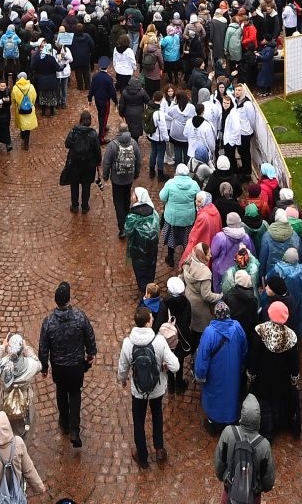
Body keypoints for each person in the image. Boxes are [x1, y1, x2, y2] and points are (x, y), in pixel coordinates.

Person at [116, 304, 180, 466]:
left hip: (138, 390)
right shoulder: (159, 341)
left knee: (138, 421)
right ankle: (159, 450)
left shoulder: (127, 343)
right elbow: (175, 366)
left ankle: (142, 457)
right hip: (157, 388)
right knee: (157, 415)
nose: (153, 319)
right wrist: (164, 365)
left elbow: (123, 367)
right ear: (147, 323)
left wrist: (123, 380)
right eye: (151, 318)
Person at [37, 281, 97, 447]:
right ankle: (75, 429)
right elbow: (90, 337)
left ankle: (64, 423)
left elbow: (43, 347)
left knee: (61, 392)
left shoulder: (48, 322)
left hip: (59, 367)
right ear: (69, 299)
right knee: (75, 393)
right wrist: (91, 354)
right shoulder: (80, 317)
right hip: (76, 366)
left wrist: (44, 367)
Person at [193, 301, 249, 434]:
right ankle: (231, 421)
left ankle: (214, 425)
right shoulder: (237, 327)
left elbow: (202, 358)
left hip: (215, 375)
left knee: (215, 397)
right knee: (232, 394)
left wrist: (200, 376)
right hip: (233, 372)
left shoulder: (209, 332)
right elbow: (244, 350)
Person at [248, 300, 301, 439]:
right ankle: (278, 424)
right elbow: (294, 361)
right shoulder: (291, 336)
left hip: (263, 376)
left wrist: (251, 373)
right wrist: (294, 377)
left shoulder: (260, 331)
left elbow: (254, 355)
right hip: (282, 377)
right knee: (278, 401)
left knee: (264, 402)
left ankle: (268, 430)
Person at [214, 393, 277, 503]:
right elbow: (268, 479)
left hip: (230, 488)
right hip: (253, 495)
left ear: (242, 414)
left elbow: (219, 462)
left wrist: (222, 477)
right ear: (259, 418)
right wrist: (262, 488)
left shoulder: (228, 433)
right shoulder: (264, 445)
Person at [0, 333, 43, 435]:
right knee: (25, 418)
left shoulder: (2, 365)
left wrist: (2, 347)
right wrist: (27, 348)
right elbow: (39, 364)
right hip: (24, 398)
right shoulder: (31, 365)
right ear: (21, 350)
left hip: (5, 398)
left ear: (9, 349)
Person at [102, 126, 143, 237]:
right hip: (129, 178)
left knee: (118, 202)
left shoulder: (112, 145)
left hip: (116, 179)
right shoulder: (133, 143)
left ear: (118, 132)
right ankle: (128, 222)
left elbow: (106, 162)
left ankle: (122, 228)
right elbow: (139, 160)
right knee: (126, 200)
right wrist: (136, 173)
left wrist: (105, 176)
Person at [158, 162, 200, 268]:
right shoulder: (194, 184)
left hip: (173, 217)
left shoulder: (170, 183)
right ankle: (186, 258)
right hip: (188, 218)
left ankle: (170, 257)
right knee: (186, 238)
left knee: (172, 237)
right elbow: (198, 198)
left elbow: (162, 197)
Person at [61, 110, 101, 213]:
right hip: (88, 164)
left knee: (74, 184)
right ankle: (84, 206)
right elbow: (97, 150)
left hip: (74, 163)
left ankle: (74, 206)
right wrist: (98, 161)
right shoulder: (93, 134)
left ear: (81, 120)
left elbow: (67, 144)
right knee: (86, 185)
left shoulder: (74, 132)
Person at [123, 187, 161, 295]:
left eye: (133, 195)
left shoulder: (133, 215)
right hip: (153, 246)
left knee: (140, 269)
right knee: (151, 266)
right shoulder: (153, 212)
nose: (131, 196)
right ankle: (150, 285)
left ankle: (144, 289)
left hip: (138, 248)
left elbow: (128, 231)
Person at [11, 71, 40, 150]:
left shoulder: (15, 88)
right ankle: (26, 142)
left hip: (20, 109)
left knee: (22, 123)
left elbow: (13, 99)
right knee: (28, 126)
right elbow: (34, 98)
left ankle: (22, 134)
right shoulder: (31, 87)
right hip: (30, 110)